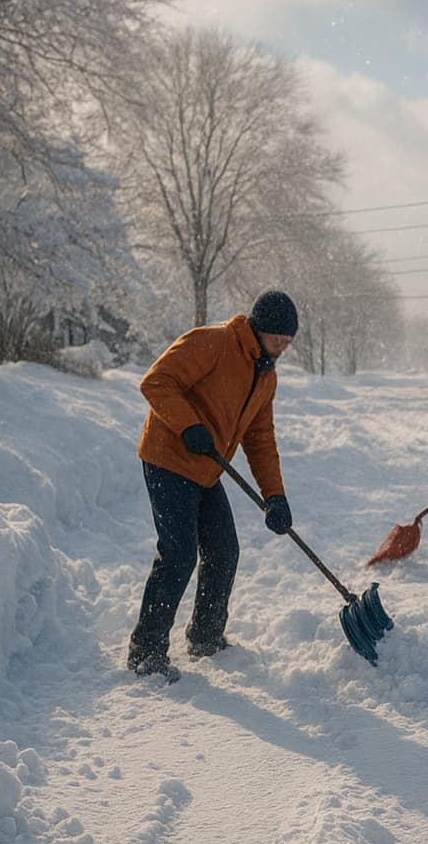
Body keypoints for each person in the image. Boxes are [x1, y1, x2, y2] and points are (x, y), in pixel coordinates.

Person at [126, 291, 300, 680]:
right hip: (168, 458)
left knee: (224, 551)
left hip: (206, 469)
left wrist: (276, 496)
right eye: (278, 341)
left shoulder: (265, 376)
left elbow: (260, 440)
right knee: (179, 553)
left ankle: (205, 636)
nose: (282, 350)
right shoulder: (214, 342)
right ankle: (146, 651)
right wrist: (189, 425)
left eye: (288, 344)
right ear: (259, 329)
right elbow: (156, 382)